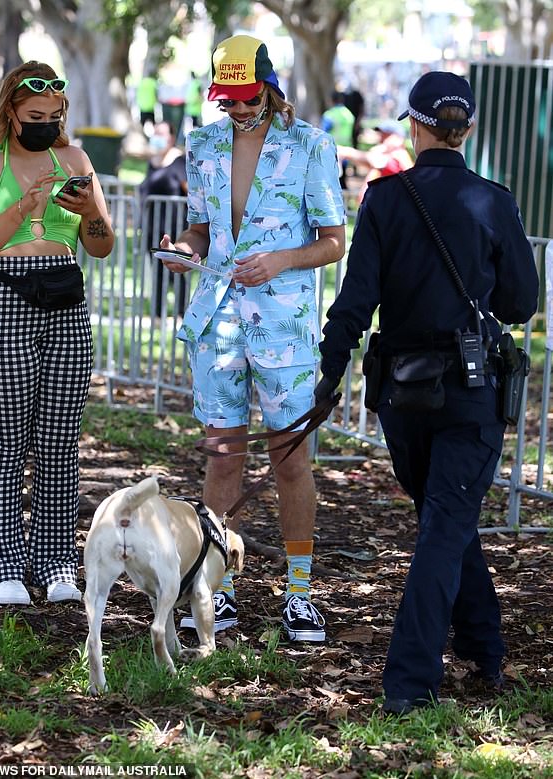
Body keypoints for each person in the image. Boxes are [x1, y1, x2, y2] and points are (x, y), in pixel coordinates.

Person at [315, 72, 539, 712]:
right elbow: (522, 302)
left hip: (403, 396)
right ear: (464, 130)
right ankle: (410, 686)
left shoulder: (384, 199)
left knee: (447, 520)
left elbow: (355, 302)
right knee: (446, 525)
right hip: (471, 393)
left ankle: (482, 649)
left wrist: (329, 376)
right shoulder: (494, 200)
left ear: (412, 125)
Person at [159, 34, 346, 642]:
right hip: (218, 323)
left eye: (246, 99)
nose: (237, 111)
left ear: (268, 85)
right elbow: (200, 230)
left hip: (284, 331)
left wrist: (283, 260)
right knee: (222, 456)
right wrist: (182, 250)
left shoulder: (310, 144)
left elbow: (333, 241)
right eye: (227, 101)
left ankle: (299, 594)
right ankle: (220, 590)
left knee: (290, 461)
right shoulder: (205, 142)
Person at [0, 61, 114, 606]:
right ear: (11, 112)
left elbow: (101, 244)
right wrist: (24, 206)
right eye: (34, 115)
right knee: (5, 441)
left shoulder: (74, 159)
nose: (46, 122)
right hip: (1, 299)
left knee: (60, 441)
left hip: (65, 301)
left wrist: (90, 208)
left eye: (55, 115)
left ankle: (57, 560)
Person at [139, 121, 188, 315]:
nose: (157, 138)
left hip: (174, 227)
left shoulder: (179, 162)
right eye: (155, 133)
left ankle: (181, 313)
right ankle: (158, 314)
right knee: (157, 272)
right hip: (152, 226)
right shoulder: (152, 162)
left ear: (172, 137)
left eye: (162, 133)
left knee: (176, 271)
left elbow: (190, 193)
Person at [337, 120, 413, 201]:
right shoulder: (382, 158)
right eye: (381, 134)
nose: (381, 138)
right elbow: (367, 159)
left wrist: (347, 152)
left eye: (386, 135)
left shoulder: (400, 156)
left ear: (398, 138)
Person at [321, 90, 355, 189]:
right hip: (347, 147)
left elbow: (323, 132)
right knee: (343, 178)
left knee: (333, 178)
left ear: (332, 100)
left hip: (333, 149)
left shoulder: (330, 115)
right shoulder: (348, 114)